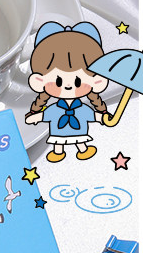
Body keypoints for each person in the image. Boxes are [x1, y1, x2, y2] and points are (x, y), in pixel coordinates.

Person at [25, 22, 108, 162]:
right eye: (58, 81)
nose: (68, 85)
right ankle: (59, 152)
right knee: (58, 142)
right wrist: (35, 117)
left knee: (79, 140)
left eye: (78, 82)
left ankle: (82, 150)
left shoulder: (79, 108)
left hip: (75, 131)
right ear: (39, 81)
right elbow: (45, 115)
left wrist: (102, 117)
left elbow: (92, 115)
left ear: (97, 82)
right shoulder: (56, 108)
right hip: (58, 133)